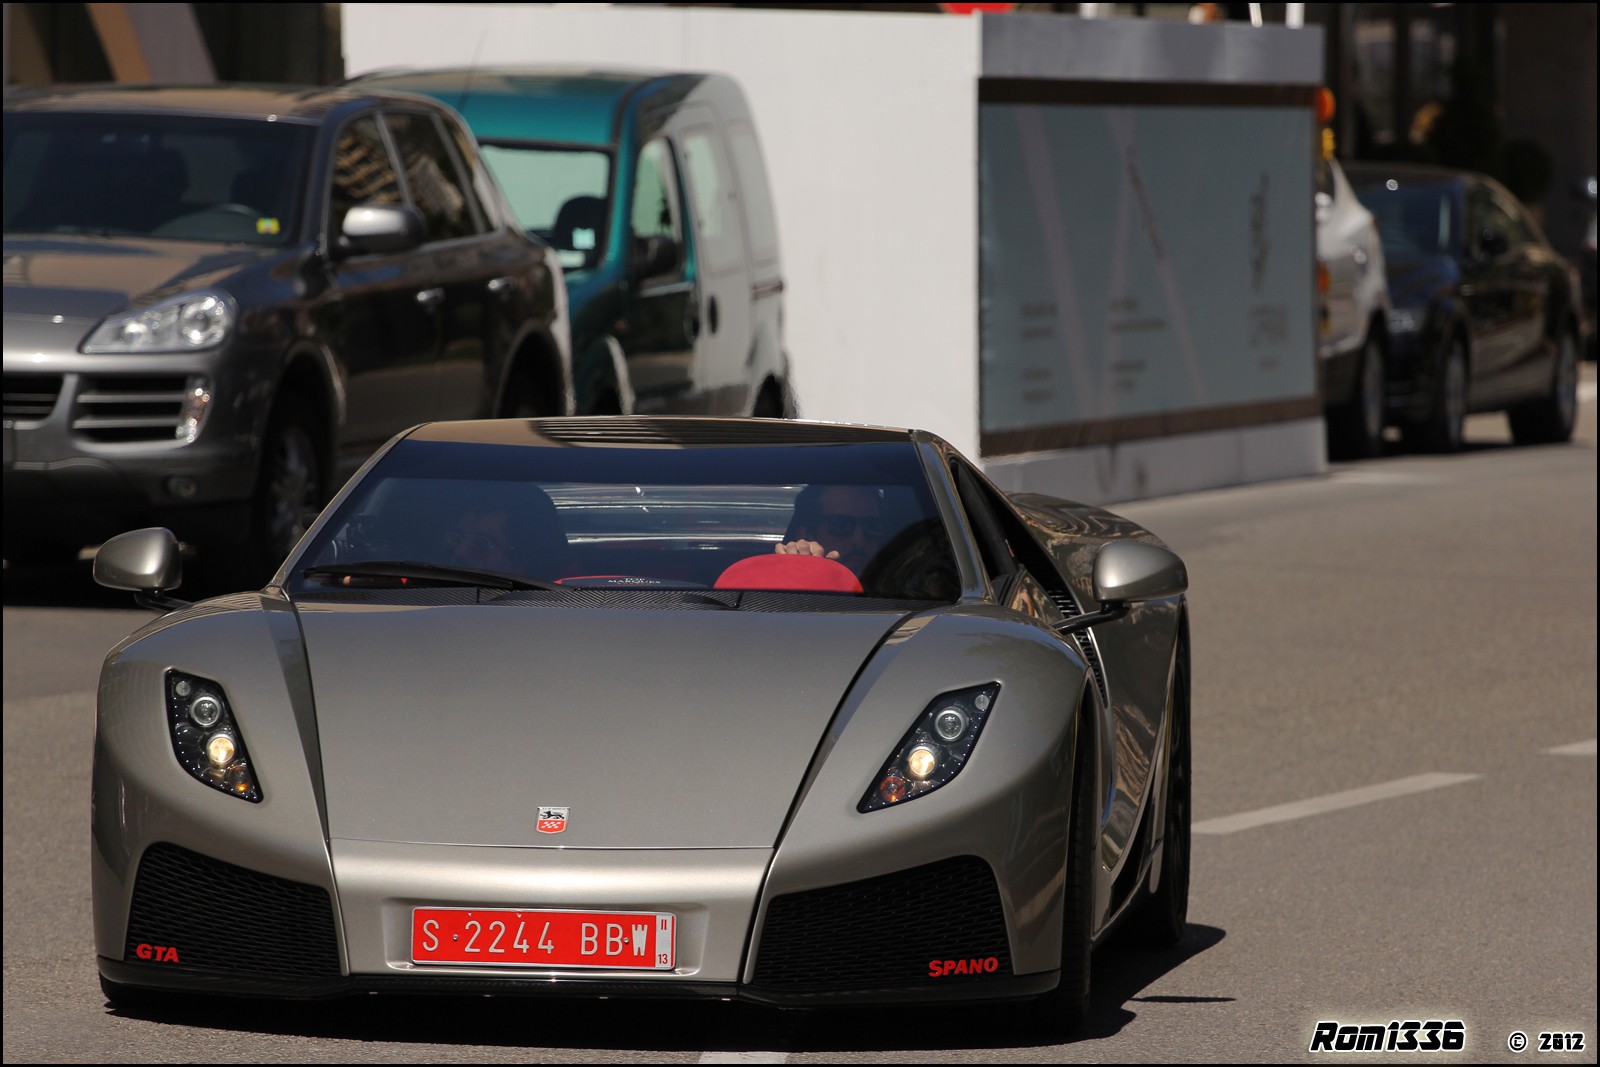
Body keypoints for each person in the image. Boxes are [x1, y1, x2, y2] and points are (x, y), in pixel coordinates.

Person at [773, 484, 888, 575]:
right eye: (840, 525)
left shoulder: (897, 586)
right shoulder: (788, 586)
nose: (859, 541)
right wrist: (792, 570)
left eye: (872, 526)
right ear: (805, 535)